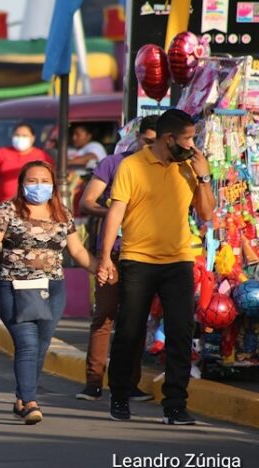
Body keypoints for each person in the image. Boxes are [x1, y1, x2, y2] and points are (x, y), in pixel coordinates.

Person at [97, 109, 216, 425]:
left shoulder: (189, 167)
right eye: (188, 138)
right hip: (138, 260)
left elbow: (206, 213)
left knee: (181, 332)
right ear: (169, 138)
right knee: (130, 331)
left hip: (179, 262)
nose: (193, 144)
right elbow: (116, 213)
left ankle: (175, 404)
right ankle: (120, 396)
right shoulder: (132, 166)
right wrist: (106, 256)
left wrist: (204, 176)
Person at [0, 160, 101, 425]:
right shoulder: (6, 211)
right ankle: (31, 401)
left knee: (41, 347)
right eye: (32, 181)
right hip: (15, 288)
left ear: (53, 185)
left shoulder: (62, 213)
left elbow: (78, 252)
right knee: (27, 344)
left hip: (53, 290)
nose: (39, 186)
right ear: (22, 183)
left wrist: (102, 269)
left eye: (45, 181)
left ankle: (22, 398)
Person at [75, 115, 159, 402]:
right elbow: (87, 201)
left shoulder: (165, 168)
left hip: (146, 253)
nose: (149, 146)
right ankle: (93, 381)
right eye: (146, 140)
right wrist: (115, 213)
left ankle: (127, 382)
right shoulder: (113, 163)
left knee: (134, 319)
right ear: (136, 137)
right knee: (104, 315)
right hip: (112, 252)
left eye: (155, 142)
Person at [0, 123, 54, 203]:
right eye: (17, 135)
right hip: (5, 202)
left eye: (24, 136)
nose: (20, 138)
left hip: (31, 203)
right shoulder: (2, 152)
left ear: (32, 138)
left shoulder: (41, 155)